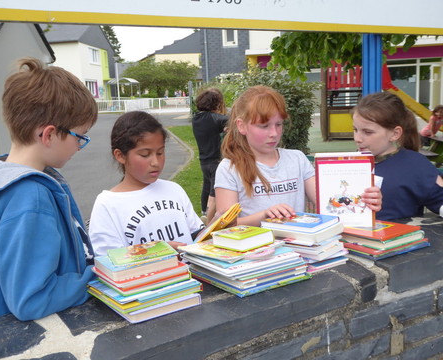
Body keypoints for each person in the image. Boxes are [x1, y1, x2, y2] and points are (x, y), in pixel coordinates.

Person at [0, 57, 97, 320]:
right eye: (79, 137)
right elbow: (32, 299)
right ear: (48, 135)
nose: (80, 147)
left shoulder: (10, 181)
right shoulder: (29, 197)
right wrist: (101, 277)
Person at [214, 85, 381, 227]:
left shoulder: (297, 159)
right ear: (241, 126)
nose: (274, 133)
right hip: (256, 254)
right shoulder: (229, 168)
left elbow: (327, 202)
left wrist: (363, 201)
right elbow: (226, 225)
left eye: (279, 124)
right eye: (264, 126)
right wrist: (265, 215)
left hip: (299, 250)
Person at [89, 111, 204, 256]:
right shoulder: (108, 204)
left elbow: (197, 234)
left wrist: (217, 230)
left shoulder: (174, 190)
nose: (155, 162)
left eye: (160, 153)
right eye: (145, 154)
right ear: (120, 156)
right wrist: (155, 251)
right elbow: (108, 260)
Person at [352, 92, 443, 220]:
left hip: (400, 238)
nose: (357, 138)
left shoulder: (416, 165)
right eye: (355, 129)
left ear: (395, 134)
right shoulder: (347, 164)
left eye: (367, 132)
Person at [192, 88, 228, 222]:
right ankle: (208, 221)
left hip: (204, 161)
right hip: (216, 162)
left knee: (206, 188)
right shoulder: (215, 118)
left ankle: (203, 213)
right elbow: (232, 120)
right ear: (216, 104)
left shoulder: (196, 119)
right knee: (214, 194)